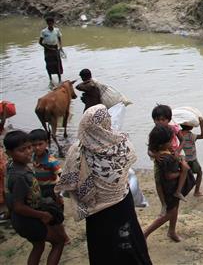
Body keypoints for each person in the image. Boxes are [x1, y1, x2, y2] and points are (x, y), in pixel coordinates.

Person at [56, 105, 151, 263]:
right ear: (106, 122)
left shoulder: (76, 150)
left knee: (102, 246)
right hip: (121, 204)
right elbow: (126, 169)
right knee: (129, 239)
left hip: (96, 211)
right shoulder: (122, 144)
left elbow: (69, 184)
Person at [5, 130, 66, 265]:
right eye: (22, 150)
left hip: (21, 220)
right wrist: (42, 214)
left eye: (28, 147)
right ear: (9, 153)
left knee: (38, 246)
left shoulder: (12, 166)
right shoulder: (20, 176)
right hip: (29, 220)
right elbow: (19, 206)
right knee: (59, 242)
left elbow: (11, 197)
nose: (28, 152)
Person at [144, 125, 188, 242]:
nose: (171, 143)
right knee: (170, 212)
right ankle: (145, 234)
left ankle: (171, 231)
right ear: (162, 144)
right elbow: (169, 175)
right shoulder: (166, 158)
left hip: (168, 187)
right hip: (169, 188)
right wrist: (181, 172)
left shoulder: (161, 153)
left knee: (174, 208)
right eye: (170, 141)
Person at [28, 129, 61, 202]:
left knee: (51, 203)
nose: (37, 147)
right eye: (34, 145)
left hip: (51, 187)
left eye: (40, 144)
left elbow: (61, 175)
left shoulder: (51, 161)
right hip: (40, 185)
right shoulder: (33, 156)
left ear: (47, 143)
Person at [179, 120, 203, 197]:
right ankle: (196, 192)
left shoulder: (179, 133)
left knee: (185, 175)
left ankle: (181, 190)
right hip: (192, 159)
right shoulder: (191, 136)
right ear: (190, 127)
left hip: (185, 159)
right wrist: (201, 124)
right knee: (199, 173)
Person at [39, 17, 63, 85]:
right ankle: (50, 79)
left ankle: (59, 79)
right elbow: (40, 42)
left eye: (51, 23)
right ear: (47, 23)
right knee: (48, 64)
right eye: (48, 23)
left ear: (53, 23)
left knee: (57, 63)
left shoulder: (57, 30)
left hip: (55, 48)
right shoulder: (44, 31)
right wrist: (48, 48)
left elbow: (59, 38)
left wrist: (60, 47)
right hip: (47, 49)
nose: (50, 24)